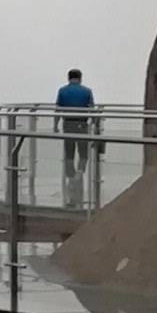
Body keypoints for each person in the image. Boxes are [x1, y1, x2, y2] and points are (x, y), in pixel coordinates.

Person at [55, 66, 99, 211]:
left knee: (69, 153)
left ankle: (70, 177)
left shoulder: (62, 91)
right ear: (80, 78)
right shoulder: (87, 91)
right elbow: (92, 109)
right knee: (83, 153)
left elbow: (57, 109)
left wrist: (55, 125)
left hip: (67, 124)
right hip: (82, 124)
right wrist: (95, 126)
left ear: (68, 78)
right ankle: (80, 173)